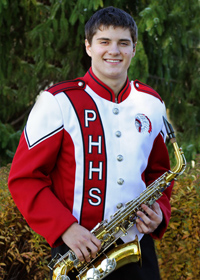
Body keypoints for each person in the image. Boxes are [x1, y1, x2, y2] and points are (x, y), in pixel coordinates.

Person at [8, 6, 174, 280]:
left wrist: (160, 212)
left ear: (134, 48)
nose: (114, 51)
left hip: (138, 253)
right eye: (104, 42)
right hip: (78, 253)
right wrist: (65, 228)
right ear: (88, 46)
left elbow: (161, 175)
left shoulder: (151, 103)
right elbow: (25, 178)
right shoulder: (57, 102)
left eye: (123, 43)